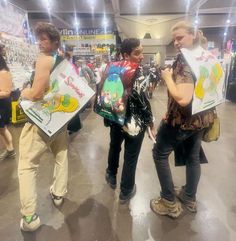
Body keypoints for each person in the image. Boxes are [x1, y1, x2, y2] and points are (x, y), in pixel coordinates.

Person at [150, 21, 215, 218]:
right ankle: (188, 196)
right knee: (192, 157)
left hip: (182, 121)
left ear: (193, 35)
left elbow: (183, 98)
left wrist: (168, 77)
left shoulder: (187, 62)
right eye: (174, 39)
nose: (176, 42)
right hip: (201, 118)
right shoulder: (204, 56)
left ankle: (169, 202)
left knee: (159, 153)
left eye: (180, 38)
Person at [18, 22, 68, 232]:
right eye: (38, 38)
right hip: (59, 117)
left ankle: (29, 218)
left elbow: (37, 93)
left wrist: (24, 92)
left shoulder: (44, 59)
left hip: (39, 121)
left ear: (54, 41)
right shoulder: (61, 58)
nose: (39, 43)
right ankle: (59, 193)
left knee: (27, 165)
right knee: (61, 155)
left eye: (44, 39)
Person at [104, 38, 155, 204]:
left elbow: (104, 93)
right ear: (126, 55)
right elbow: (143, 101)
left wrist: (107, 116)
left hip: (115, 119)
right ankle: (126, 191)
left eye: (142, 51)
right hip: (133, 123)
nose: (141, 56)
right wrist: (150, 122)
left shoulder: (112, 68)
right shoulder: (137, 72)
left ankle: (111, 175)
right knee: (131, 156)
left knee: (114, 146)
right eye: (137, 53)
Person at [0, 44, 16, 161]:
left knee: (2, 128)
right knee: (1, 129)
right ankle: (9, 149)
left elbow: (6, 92)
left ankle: (11, 149)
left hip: (3, 104)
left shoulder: (3, 72)